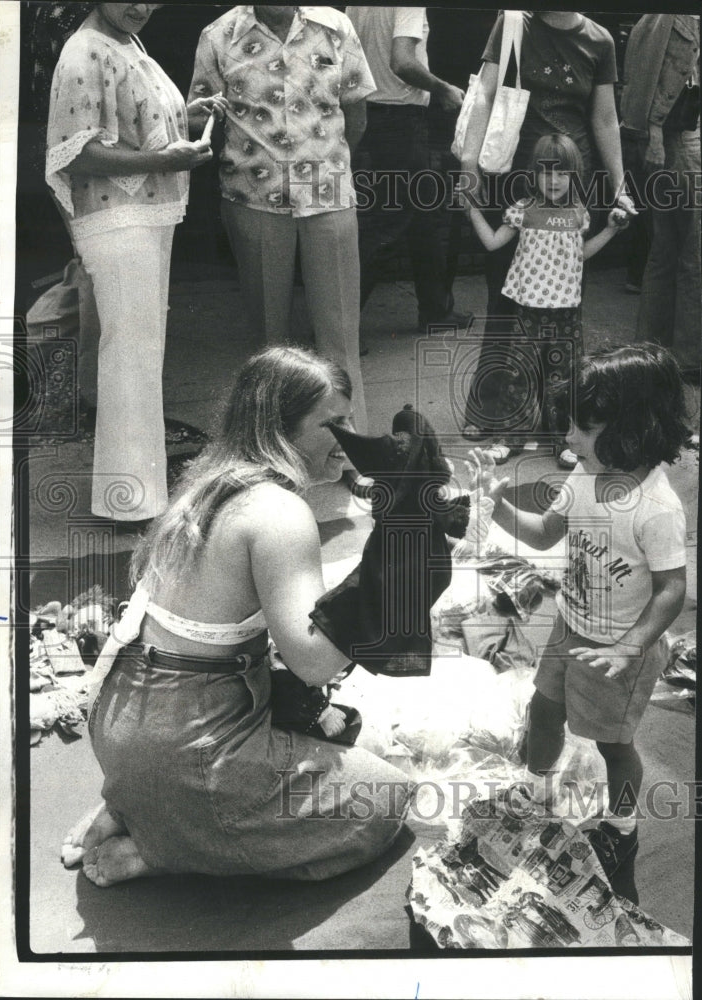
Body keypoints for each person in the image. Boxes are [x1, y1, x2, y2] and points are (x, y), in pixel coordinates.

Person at [60, 346, 412, 886]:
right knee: (385, 798)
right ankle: (162, 845)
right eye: (334, 423)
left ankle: (139, 803)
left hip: (128, 724)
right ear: (281, 430)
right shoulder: (278, 512)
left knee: (325, 733)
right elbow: (314, 663)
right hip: (184, 743)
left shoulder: (211, 478)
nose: (351, 439)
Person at [465, 344, 689, 903]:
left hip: (620, 649)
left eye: (582, 428)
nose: (567, 440)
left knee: (614, 745)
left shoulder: (656, 508)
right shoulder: (585, 479)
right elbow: (545, 533)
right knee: (544, 710)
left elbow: (672, 589)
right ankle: (538, 790)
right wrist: (496, 504)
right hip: (569, 628)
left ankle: (620, 828)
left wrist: (634, 645)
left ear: (633, 431)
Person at [187, 5, 376, 494]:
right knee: (270, 341)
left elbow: (356, 112)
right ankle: (273, 457)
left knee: (339, 337)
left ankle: (355, 455)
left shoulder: (335, 27)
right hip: (252, 198)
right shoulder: (219, 35)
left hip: (328, 194)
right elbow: (199, 119)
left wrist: (322, 159)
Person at [45, 3, 222, 522]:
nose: (142, 7)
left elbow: (132, 123)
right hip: (117, 221)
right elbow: (72, 153)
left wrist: (191, 115)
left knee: (140, 355)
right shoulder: (83, 52)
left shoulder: (126, 42)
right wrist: (161, 161)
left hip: (145, 216)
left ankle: (141, 495)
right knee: (129, 359)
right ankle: (129, 503)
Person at [458, 10, 637, 455]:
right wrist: (468, 161)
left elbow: (604, 119)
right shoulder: (514, 22)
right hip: (519, 177)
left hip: (574, 181)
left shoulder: (599, 39)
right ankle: (495, 413)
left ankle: (562, 422)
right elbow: (484, 93)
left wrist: (618, 187)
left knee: (562, 301)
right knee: (505, 298)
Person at [462, 134, 629, 469]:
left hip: (565, 314)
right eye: (546, 172)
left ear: (574, 175)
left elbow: (580, 255)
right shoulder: (523, 211)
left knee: (564, 378)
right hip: (528, 312)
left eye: (562, 173)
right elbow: (494, 243)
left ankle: (563, 441)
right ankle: (510, 438)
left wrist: (610, 230)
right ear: (534, 174)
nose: (554, 180)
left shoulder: (579, 214)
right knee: (517, 375)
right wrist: (471, 211)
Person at [345, 7, 469, 331]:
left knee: (421, 216)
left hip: (369, 112)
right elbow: (402, 61)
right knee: (386, 223)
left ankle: (436, 310)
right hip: (401, 118)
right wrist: (443, 89)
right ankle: (338, 325)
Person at [620, 14, 701, 380]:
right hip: (682, 140)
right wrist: (653, 129)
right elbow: (656, 75)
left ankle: (650, 348)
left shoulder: (649, 19)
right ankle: (688, 357)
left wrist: (649, 133)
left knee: (666, 248)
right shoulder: (673, 19)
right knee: (692, 253)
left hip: (667, 142)